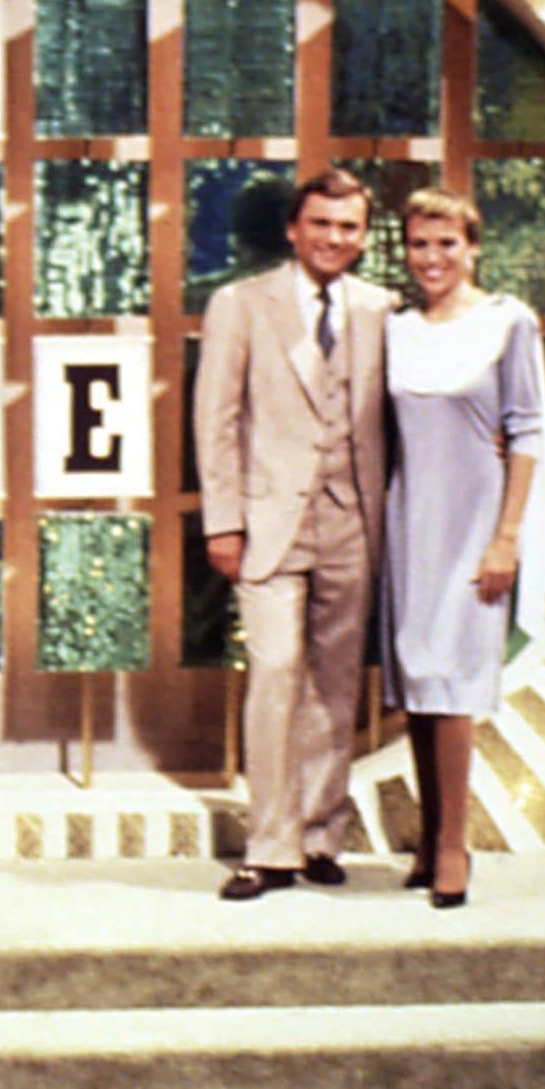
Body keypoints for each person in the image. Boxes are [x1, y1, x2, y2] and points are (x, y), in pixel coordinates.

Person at [194, 169, 394, 901]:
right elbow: (214, 419)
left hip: (354, 519)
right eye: (322, 224)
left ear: (364, 236)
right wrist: (224, 519)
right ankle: (269, 845)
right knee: (275, 671)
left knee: (335, 684)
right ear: (293, 228)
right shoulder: (241, 303)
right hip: (268, 520)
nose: (335, 238)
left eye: (348, 227)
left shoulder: (381, 308)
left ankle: (318, 835)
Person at [381, 187, 545, 908]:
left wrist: (506, 537)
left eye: (446, 243)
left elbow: (527, 430)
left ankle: (455, 843)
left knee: (452, 685)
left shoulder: (507, 322)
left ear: (473, 246)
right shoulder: (395, 327)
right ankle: (427, 838)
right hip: (408, 519)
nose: (432, 258)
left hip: (476, 523)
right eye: (420, 244)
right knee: (420, 683)